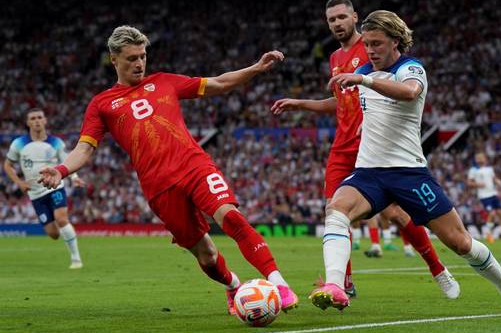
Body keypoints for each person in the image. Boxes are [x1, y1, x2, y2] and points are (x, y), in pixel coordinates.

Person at [38, 25, 299, 314]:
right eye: (131, 58)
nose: (139, 63)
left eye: (142, 56)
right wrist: (61, 169)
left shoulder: (165, 82)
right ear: (114, 59)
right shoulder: (102, 105)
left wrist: (256, 68)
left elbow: (220, 83)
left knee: (231, 216)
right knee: (207, 255)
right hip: (159, 187)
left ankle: (279, 284)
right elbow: (85, 149)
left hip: (194, 165)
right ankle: (233, 286)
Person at [309, 10, 501, 317]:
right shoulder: (365, 71)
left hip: (409, 173)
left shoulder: (410, 69)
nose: (371, 50)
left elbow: (408, 93)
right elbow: (369, 110)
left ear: (395, 41)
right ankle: (337, 287)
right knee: (336, 210)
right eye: (368, 43)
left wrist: (363, 79)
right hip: (369, 173)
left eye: (377, 43)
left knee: (460, 243)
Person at [271, 0, 458, 299]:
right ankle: (343, 283)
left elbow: (390, 92)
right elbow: (343, 100)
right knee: (335, 210)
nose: (337, 24)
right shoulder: (334, 58)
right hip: (341, 147)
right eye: (332, 20)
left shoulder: (372, 48)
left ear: (355, 17)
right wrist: (301, 104)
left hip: (371, 146)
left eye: (342, 17)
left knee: (397, 214)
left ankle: (438, 269)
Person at [4, 108, 85, 269]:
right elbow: (7, 165)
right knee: (53, 234)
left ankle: (76, 259)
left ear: (45, 120)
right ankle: (66, 234)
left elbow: (66, 163)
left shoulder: (56, 143)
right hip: (35, 194)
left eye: (39, 117)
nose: (36, 121)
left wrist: (75, 178)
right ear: (28, 123)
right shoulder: (18, 144)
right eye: (33, 118)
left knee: (62, 219)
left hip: (54, 187)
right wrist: (19, 182)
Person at [467, 152, 501, 244]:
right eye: (478, 158)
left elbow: (494, 178)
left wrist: (498, 181)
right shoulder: (474, 170)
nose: (479, 159)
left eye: (481, 157)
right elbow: (469, 183)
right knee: (492, 213)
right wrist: (478, 184)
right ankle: (488, 234)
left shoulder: (489, 169)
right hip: (484, 195)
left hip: (493, 194)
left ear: (485, 159)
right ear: (476, 160)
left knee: (500, 213)